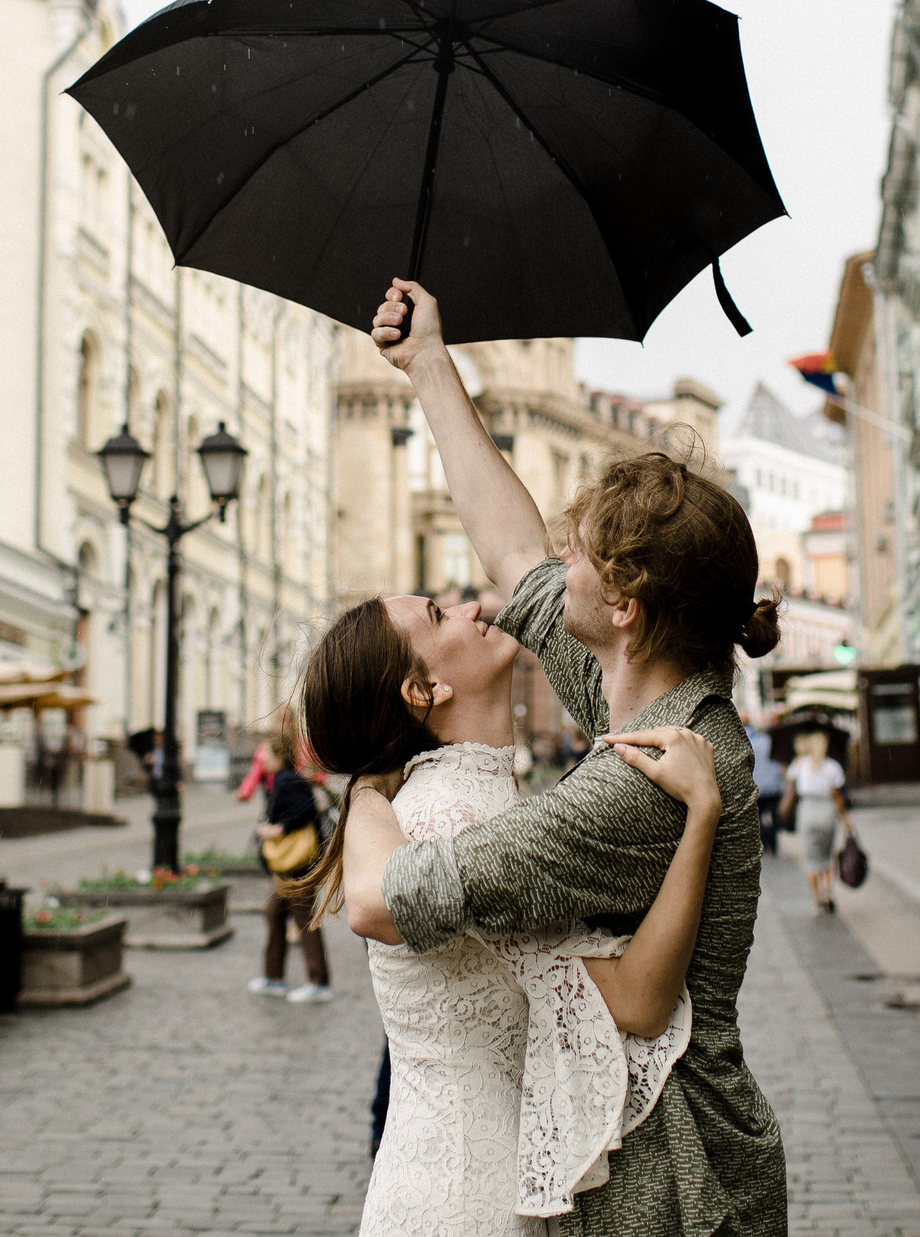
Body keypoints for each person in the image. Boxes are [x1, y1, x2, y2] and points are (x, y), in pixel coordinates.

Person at [342, 277, 788, 1236]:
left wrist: (364, 792)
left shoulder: (644, 778)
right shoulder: (647, 695)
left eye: (576, 554)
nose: (555, 564)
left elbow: (385, 899)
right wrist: (429, 365)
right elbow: (513, 557)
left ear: (624, 606)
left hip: (670, 1177)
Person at [305, 591, 724, 1233]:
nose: (471, 607)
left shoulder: (445, 798)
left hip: (450, 1177)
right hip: (472, 1199)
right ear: (424, 690)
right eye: (440, 615)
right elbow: (639, 1000)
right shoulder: (455, 813)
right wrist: (702, 815)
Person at [248, 711, 331, 1003]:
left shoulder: (286, 780)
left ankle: (318, 982)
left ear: (278, 756)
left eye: (266, 754)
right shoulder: (282, 779)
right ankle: (274, 978)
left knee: (304, 919)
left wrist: (277, 829)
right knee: (274, 913)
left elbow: (304, 810)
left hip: (296, 864)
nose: (262, 759)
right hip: (291, 865)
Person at [783, 730, 848, 913]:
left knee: (811, 860)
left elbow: (789, 783)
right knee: (827, 857)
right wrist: (845, 819)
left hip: (807, 811)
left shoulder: (799, 765)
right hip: (827, 811)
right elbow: (837, 797)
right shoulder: (833, 767)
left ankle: (818, 900)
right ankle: (828, 892)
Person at [748, 713, 784, 855]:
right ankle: (773, 841)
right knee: (774, 816)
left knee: (758, 816)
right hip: (774, 786)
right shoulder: (774, 743)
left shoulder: (751, 743)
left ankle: (764, 839)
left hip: (758, 786)